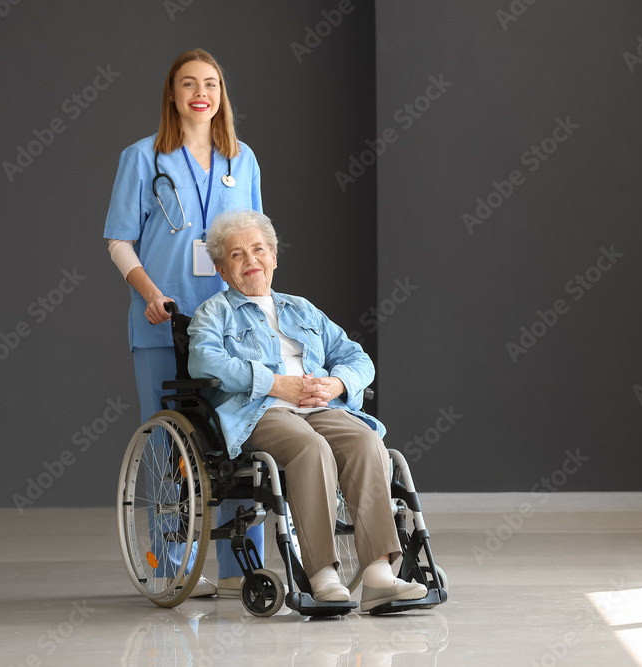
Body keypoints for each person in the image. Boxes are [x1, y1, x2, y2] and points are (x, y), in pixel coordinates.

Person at [186, 209, 428, 611]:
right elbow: (204, 363)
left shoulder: (301, 309)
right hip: (261, 411)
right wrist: (276, 383)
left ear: (275, 257)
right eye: (237, 255)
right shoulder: (215, 312)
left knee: (367, 441)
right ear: (221, 270)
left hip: (319, 407)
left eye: (259, 250)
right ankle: (322, 575)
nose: (251, 261)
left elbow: (357, 357)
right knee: (309, 448)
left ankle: (378, 575)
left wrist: (337, 383)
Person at [103, 49, 264, 597]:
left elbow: (256, 240)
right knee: (171, 446)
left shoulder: (242, 160)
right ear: (171, 94)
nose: (201, 93)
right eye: (189, 83)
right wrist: (149, 293)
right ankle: (174, 563)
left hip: (230, 326)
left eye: (212, 84)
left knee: (239, 438)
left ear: (221, 94)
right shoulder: (143, 158)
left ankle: (242, 567)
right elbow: (119, 242)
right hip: (163, 321)